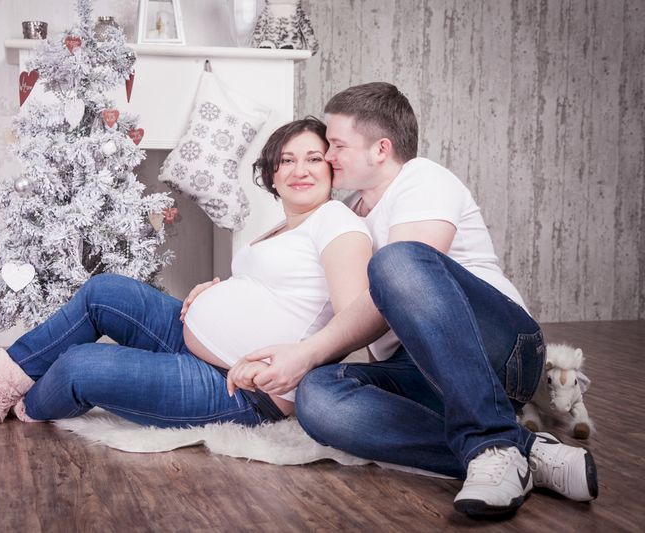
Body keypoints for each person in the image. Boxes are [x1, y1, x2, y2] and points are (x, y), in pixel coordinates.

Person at [226, 83, 598, 516]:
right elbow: (337, 303)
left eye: (337, 145)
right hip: (421, 368)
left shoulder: (423, 179)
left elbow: (397, 290)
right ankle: (526, 452)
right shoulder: (349, 210)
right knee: (318, 396)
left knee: (396, 261)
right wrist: (223, 290)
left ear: (381, 149)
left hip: (500, 351)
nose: (328, 155)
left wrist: (307, 352)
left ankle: (492, 442)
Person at [0, 117, 373, 429]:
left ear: (332, 169)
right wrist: (219, 290)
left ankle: (28, 405)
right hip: (192, 338)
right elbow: (280, 292)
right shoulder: (282, 227)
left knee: (81, 366)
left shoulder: (336, 222)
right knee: (103, 290)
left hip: (241, 387)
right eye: (287, 160)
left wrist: (293, 364)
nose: (299, 170)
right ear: (271, 173)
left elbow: (355, 322)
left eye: (314, 158)